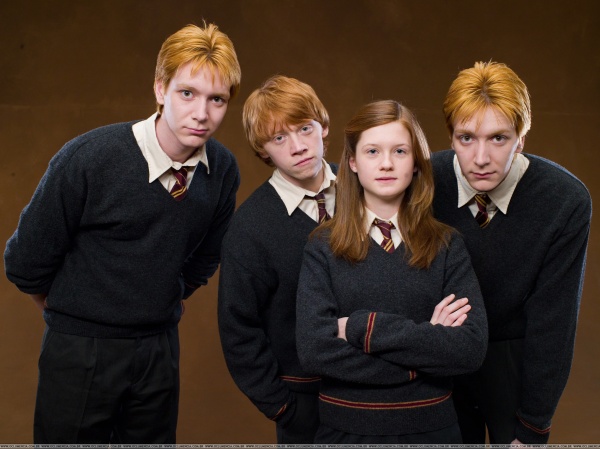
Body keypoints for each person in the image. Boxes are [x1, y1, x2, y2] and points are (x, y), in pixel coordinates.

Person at [4, 23, 241, 444]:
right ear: (160, 89)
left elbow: (208, 255)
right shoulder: (89, 158)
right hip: (80, 348)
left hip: (158, 349)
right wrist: (76, 314)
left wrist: (163, 296)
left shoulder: (221, 170)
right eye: (187, 93)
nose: (202, 113)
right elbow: (24, 261)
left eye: (216, 99)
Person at [295, 99, 488, 445]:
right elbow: (314, 351)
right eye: (372, 151)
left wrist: (362, 327)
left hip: (433, 432)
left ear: (415, 163)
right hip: (345, 433)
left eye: (400, 151)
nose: (386, 163)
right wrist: (425, 349)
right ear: (353, 162)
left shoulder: (447, 245)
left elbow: (469, 349)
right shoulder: (322, 246)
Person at [431, 61, 592, 445]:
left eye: (498, 138)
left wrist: (534, 425)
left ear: (521, 138)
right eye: (466, 138)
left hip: (514, 357)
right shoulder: (422, 181)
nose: (480, 157)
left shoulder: (564, 200)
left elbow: (554, 321)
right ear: (451, 137)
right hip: (440, 349)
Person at [217, 75, 335, 444]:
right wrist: (282, 407)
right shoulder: (251, 227)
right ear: (263, 150)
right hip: (306, 402)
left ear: (323, 126)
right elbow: (238, 327)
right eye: (279, 138)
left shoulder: (368, 192)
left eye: (304, 129)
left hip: (380, 394)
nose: (298, 147)